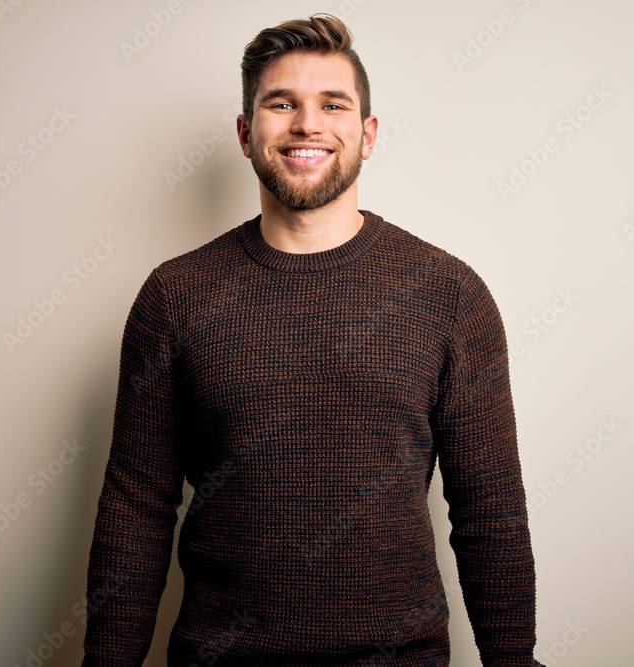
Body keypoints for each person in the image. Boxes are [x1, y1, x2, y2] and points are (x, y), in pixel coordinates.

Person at [82, 13, 544, 666]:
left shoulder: (450, 295)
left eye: (332, 103)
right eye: (281, 103)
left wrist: (514, 661)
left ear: (368, 132)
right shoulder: (175, 296)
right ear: (246, 134)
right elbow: (136, 510)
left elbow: (490, 513)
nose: (307, 124)